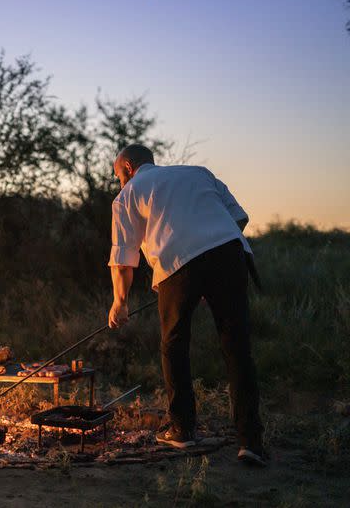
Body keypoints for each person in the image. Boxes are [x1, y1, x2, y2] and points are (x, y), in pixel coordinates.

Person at [107, 143, 265, 466]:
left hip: (178, 263)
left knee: (174, 344)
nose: (119, 183)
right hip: (230, 253)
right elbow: (237, 218)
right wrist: (211, 270)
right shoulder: (198, 173)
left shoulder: (128, 194)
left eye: (117, 176)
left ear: (126, 168)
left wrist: (119, 303)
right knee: (237, 347)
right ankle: (251, 442)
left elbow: (123, 260)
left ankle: (182, 429)